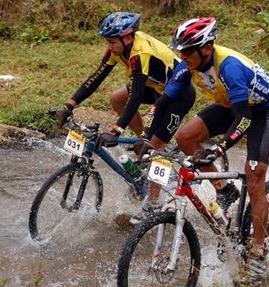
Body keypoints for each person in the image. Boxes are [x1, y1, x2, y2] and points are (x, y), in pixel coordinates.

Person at [167, 17, 269, 280]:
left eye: (186, 51)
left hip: (261, 111)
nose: (181, 56)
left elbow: (245, 120)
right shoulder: (189, 65)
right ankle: (226, 191)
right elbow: (165, 100)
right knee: (185, 138)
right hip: (233, 105)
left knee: (254, 178)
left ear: (206, 49)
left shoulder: (229, 68)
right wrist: (148, 137)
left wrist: (219, 149)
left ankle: (259, 248)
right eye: (179, 50)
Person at [55, 12, 196, 224]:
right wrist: (69, 105)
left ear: (128, 38)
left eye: (112, 42)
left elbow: (137, 97)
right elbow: (96, 77)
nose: (109, 47)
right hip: (155, 85)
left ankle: (154, 204)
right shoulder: (119, 47)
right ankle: (143, 147)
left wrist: (116, 130)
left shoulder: (139, 52)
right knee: (116, 98)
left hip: (178, 94)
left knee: (156, 146)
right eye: (107, 42)